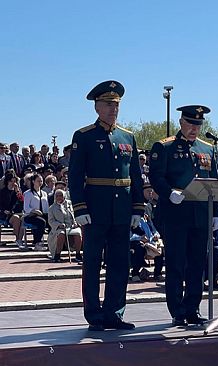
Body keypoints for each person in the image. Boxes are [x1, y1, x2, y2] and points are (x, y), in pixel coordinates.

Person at [68, 80, 144, 331]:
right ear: (97, 107)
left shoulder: (127, 137)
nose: (113, 109)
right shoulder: (84, 136)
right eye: (108, 104)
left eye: (116, 105)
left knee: (120, 263)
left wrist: (137, 208)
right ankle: (94, 314)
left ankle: (115, 312)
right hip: (95, 210)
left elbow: (135, 175)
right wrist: (80, 208)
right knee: (92, 263)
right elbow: (76, 176)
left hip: (121, 211)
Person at [149, 104, 218, 327]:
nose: (194, 128)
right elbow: (156, 176)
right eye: (190, 123)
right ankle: (177, 310)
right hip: (176, 214)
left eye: (198, 124)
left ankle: (193, 308)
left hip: (200, 214)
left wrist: (216, 212)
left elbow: (215, 182)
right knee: (176, 263)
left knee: (197, 265)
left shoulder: (208, 149)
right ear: (181, 122)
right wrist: (169, 193)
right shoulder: (165, 147)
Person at [47, 189, 82, 263]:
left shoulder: (70, 205)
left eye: (61, 196)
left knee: (78, 233)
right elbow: (51, 221)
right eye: (57, 196)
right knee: (61, 234)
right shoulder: (52, 208)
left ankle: (78, 254)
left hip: (71, 226)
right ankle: (57, 255)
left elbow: (75, 215)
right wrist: (59, 225)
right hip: (59, 228)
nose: (59, 197)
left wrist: (75, 223)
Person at [23, 174, 49, 251]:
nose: (40, 182)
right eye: (38, 181)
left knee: (51, 221)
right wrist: (34, 210)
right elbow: (26, 208)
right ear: (33, 181)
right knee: (41, 222)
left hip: (42, 214)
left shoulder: (44, 193)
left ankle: (52, 242)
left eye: (41, 181)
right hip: (30, 216)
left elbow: (46, 206)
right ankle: (37, 242)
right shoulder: (28, 193)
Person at [0, 172, 25, 249]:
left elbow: (22, 201)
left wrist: (17, 191)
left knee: (24, 219)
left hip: (16, 212)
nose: (13, 183)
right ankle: (18, 239)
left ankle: (19, 239)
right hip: (4, 214)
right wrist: (3, 210)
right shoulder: (2, 192)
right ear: (8, 181)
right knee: (16, 218)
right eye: (12, 181)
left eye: (15, 181)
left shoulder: (17, 192)